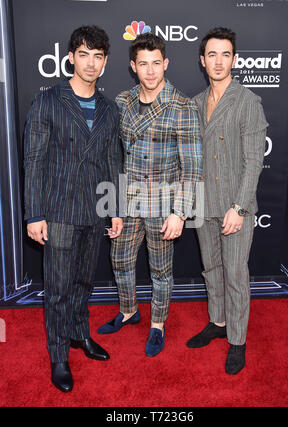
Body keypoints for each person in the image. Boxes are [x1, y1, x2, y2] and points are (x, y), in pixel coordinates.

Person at [24, 25, 123, 392]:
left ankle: (81, 335)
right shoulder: (48, 101)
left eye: (98, 56)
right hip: (58, 211)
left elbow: (114, 161)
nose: (91, 63)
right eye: (84, 54)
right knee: (59, 288)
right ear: (70, 57)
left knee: (85, 281)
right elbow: (33, 161)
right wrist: (34, 213)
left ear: (105, 61)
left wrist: (114, 208)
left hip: (94, 211)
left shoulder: (111, 109)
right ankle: (59, 353)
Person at [97, 33, 202, 357]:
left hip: (163, 206)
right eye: (144, 63)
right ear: (133, 66)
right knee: (120, 261)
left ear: (166, 63)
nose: (151, 70)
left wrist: (180, 213)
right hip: (127, 201)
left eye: (157, 63)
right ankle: (129, 311)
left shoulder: (182, 106)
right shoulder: (123, 100)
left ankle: (158, 323)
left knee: (160, 270)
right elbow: (114, 157)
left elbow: (193, 167)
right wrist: (112, 205)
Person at [186, 27, 268, 374]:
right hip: (204, 205)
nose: (219, 62)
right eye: (212, 55)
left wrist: (240, 207)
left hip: (236, 206)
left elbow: (253, 162)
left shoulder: (248, 101)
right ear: (203, 61)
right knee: (211, 269)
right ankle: (217, 322)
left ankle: (237, 339)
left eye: (226, 54)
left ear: (234, 59)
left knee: (235, 274)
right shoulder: (193, 103)